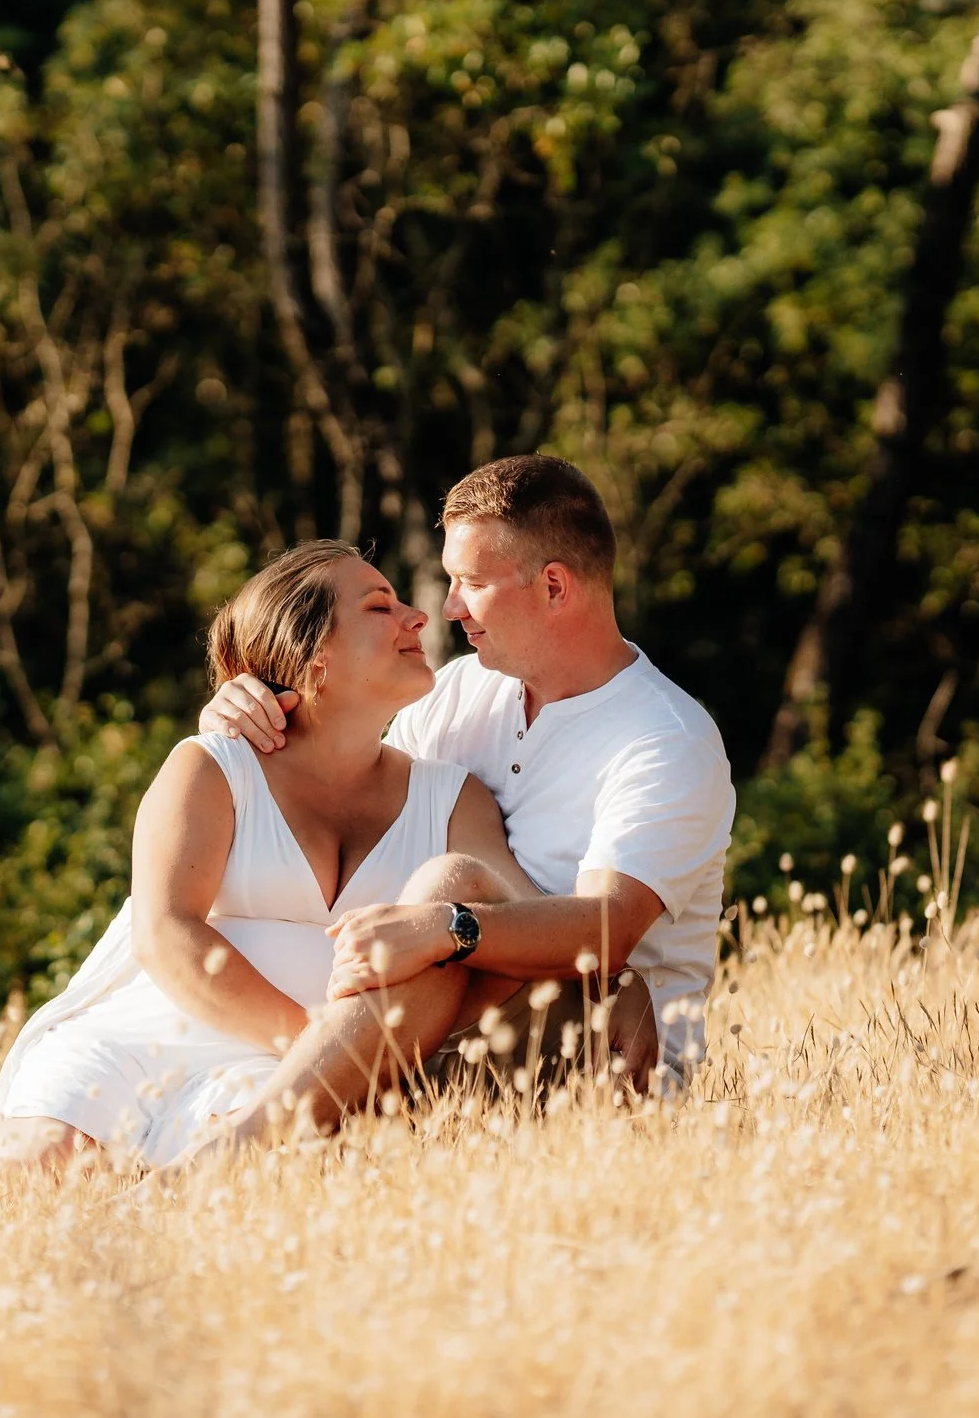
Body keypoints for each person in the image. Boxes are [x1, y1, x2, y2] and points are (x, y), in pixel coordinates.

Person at [0, 540, 529, 1183]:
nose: (417, 617)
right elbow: (166, 933)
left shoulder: (452, 800)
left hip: (275, 1083)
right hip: (147, 1038)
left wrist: (624, 981)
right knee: (47, 1163)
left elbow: (528, 927)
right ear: (309, 648)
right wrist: (321, 1048)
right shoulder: (213, 766)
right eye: (380, 606)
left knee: (262, 1183)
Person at [198, 455, 736, 1113]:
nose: (447, 607)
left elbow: (607, 926)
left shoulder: (663, 738)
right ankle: (264, 1125)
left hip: (590, 1057)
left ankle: (259, 1136)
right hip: (428, 1025)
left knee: (449, 880)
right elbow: (354, 805)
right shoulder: (461, 691)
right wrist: (248, 720)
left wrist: (449, 928)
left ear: (555, 587)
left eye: (469, 582)